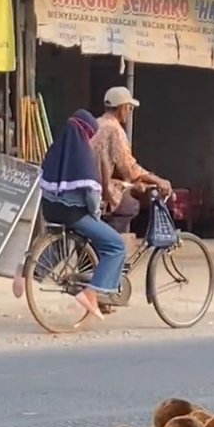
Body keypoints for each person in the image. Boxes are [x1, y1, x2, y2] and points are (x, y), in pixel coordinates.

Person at [38, 108, 126, 320]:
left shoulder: (55, 151)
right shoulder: (83, 157)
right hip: (74, 216)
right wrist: (96, 213)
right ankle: (92, 293)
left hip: (51, 212)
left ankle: (31, 272)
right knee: (116, 246)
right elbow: (92, 196)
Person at [91, 86, 172, 233]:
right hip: (102, 190)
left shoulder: (97, 123)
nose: (129, 112)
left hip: (91, 185)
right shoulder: (115, 130)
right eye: (129, 108)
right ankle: (109, 247)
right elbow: (128, 167)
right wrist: (157, 180)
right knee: (131, 205)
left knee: (128, 192)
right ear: (121, 108)